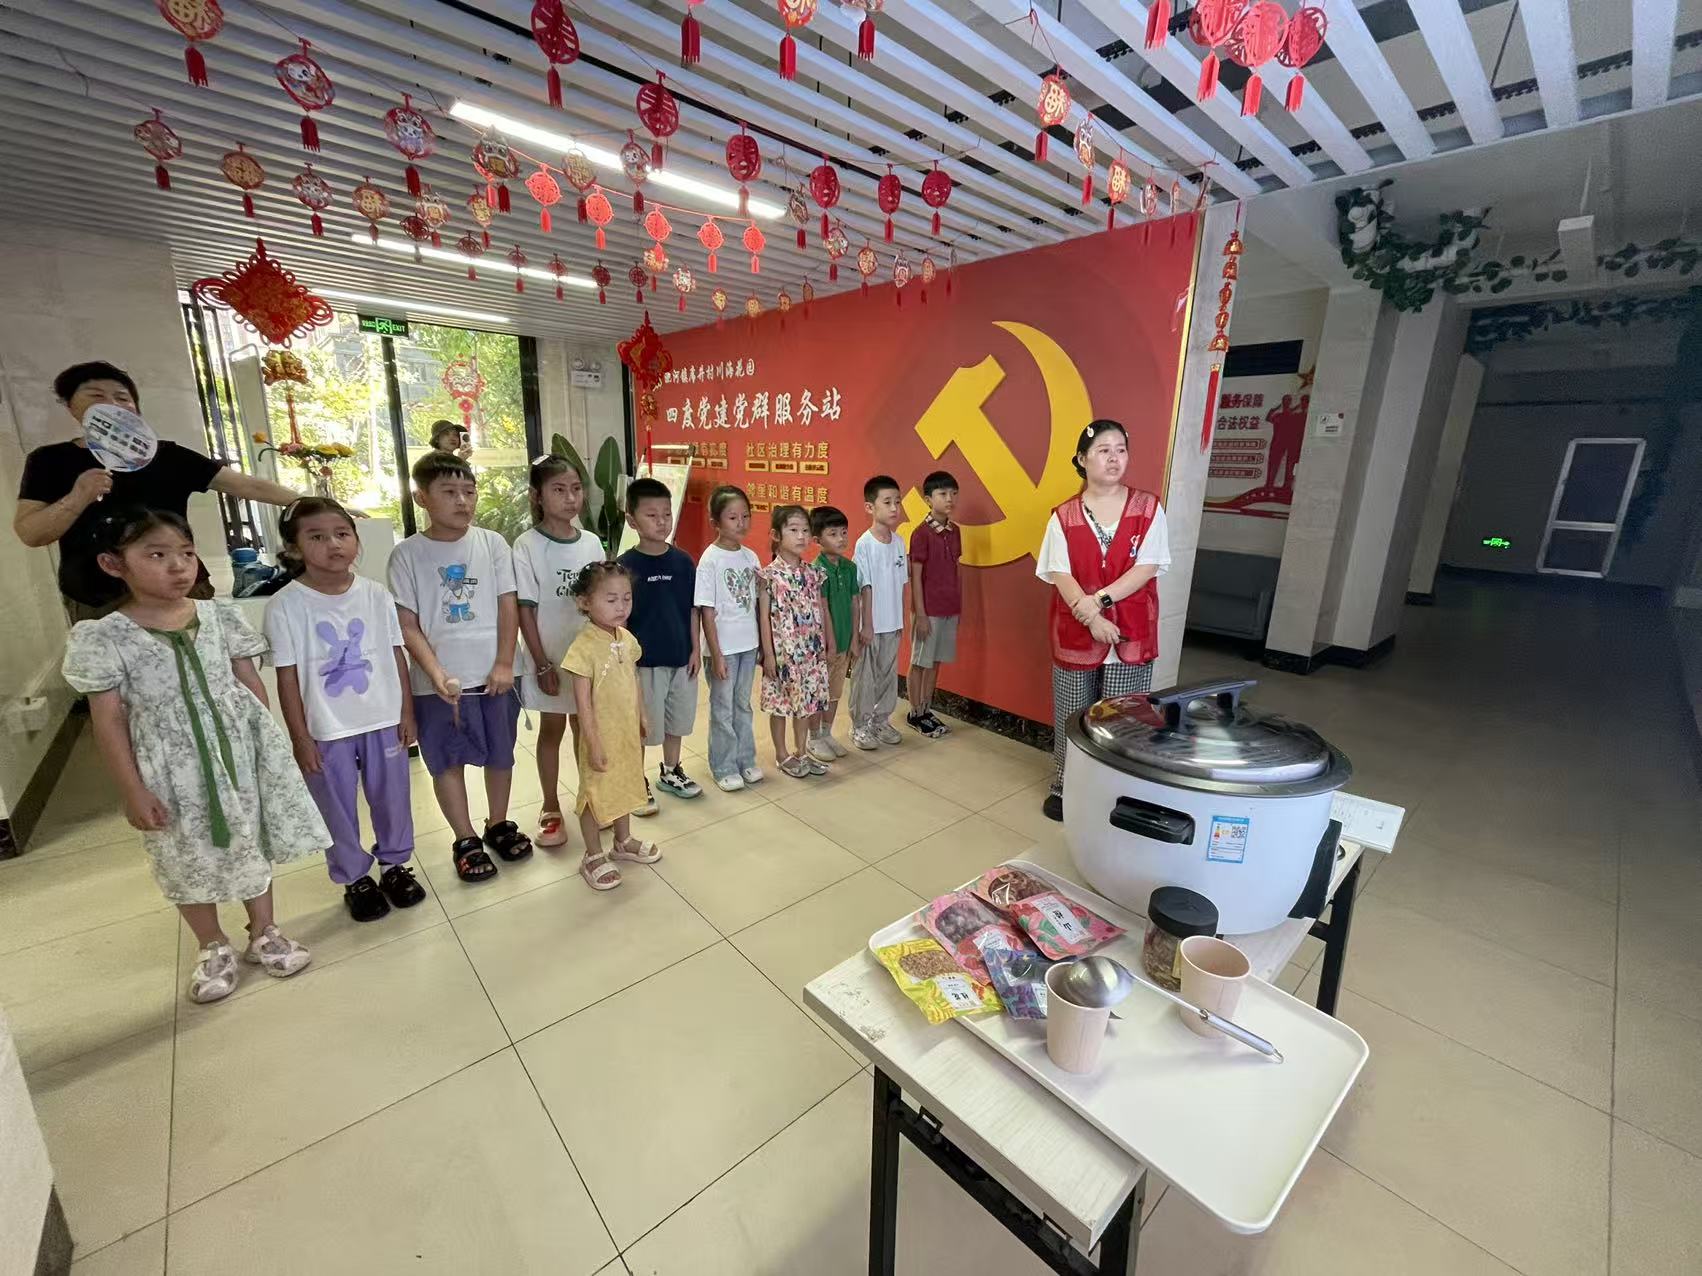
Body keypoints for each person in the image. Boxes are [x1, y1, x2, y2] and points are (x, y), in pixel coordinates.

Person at [61, 509, 325, 1004]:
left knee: (251, 838)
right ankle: (212, 944)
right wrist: (132, 789)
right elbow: (108, 720)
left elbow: (249, 686)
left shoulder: (220, 617)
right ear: (113, 564)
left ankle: (264, 930)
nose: (178, 566)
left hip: (236, 757)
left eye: (185, 553)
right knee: (182, 852)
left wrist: (265, 751)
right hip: (168, 770)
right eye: (157, 555)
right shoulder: (104, 637)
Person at [16, 362, 308, 618]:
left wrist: (314, 504)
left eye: (122, 398)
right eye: (96, 396)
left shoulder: (169, 456)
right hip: (98, 597)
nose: (112, 404)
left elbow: (246, 484)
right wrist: (77, 497)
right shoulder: (50, 460)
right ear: (71, 406)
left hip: (182, 586)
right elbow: (31, 533)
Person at [265, 498, 426, 923]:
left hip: (383, 718)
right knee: (335, 806)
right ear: (294, 547)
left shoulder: (376, 595)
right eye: (317, 537)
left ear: (355, 539)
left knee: (392, 798)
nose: (333, 544)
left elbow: (396, 655)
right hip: (326, 728)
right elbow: (286, 678)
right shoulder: (285, 605)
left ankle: (394, 865)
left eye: (342, 534)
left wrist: (406, 712)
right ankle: (355, 877)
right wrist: (300, 738)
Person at [387, 451, 532, 883]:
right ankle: (465, 838)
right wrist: (435, 673)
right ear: (421, 498)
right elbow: (407, 624)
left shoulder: (492, 543)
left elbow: (508, 604)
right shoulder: (406, 555)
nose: (463, 501)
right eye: (449, 492)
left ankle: (498, 823)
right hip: (438, 684)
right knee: (447, 760)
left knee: (501, 753)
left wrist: (505, 661)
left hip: (495, 676)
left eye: (469, 491)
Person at [1037, 420, 1171, 822]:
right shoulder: (1063, 516)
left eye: (1121, 450)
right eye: (1103, 450)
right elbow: (1059, 571)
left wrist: (1099, 602)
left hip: (1130, 629)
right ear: (1082, 459)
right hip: (1076, 630)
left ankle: (1118, 790)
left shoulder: (1148, 508)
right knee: (1072, 711)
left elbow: (1147, 566)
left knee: (1125, 717)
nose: (1114, 458)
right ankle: (1065, 785)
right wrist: (1091, 618)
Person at [513, 456, 606, 847]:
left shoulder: (591, 543)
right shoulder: (527, 545)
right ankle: (550, 805)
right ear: (538, 496)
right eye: (559, 490)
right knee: (552, 730)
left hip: (588, 659)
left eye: (576, 489)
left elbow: (604, 598)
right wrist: (541, 664)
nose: (570, 498)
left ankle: (590, 798)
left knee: (586, 728)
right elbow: (525, 610)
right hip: (550, 657)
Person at [562, 561, 662, 890]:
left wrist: (642, 715)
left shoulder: (626, 639)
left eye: (626, 598)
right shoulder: (582, 648)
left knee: (624, 783)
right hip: (600, 735)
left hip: (626, 732)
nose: (621, 607)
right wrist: (592, 743)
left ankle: (623, 840)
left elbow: (633, 679)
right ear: (585, 602)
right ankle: (592, 854)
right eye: (611, 599)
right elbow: (582, 705)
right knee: (594, 793)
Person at [617, 477, 704, 807]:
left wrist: (696, 649)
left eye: (666, 514)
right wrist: (625, 661)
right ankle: (634, 780)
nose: (661, 522)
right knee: (642, 725)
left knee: (677, 720)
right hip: (644, 664)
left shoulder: (683, 562)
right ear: (632, 520)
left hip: (681, 658)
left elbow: (693, 610)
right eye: (651, 515)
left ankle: (670, 770)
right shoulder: (625, 566)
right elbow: (620, 620)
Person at [758, 505, 834, 779]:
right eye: (793, 530)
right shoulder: (768, 575)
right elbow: (764, 617)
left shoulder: (813, 573)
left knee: (806, 704)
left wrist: (827, 642)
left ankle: (801, 752)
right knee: (780, 704)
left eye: (805, 530)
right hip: (783, 653)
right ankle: (782, 755)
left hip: (810, 652)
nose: (801, 536)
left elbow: (821, 609)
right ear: (776, 535)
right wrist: (768, 654)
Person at [695, 484, 763, 791]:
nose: (741, 523)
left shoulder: (751, 557)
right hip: (722, 649)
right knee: (722, 709)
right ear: (716, 522)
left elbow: (758, 604)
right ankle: (723, 765)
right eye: (733, 517)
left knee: (743, 705)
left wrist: (762, 645)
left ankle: (745, 759)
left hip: (748, 645)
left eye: (745, 516)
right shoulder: (710, 560)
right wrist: (716, 654)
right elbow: (706, 612)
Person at [850, 475, 908, 751]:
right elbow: (865, 586)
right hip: (871, 625)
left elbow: (902, 584)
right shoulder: (865, 544)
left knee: (888, 674)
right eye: (887, 502)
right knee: (865, 677)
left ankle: (881, 720)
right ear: (870, 507)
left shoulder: (899, 542)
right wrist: (867, 624)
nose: (894, 508)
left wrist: (901, 620)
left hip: (893, 623)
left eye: (897, 501)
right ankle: (859, 725)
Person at [906, 470, 962, 739]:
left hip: (949, 608)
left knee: (936, 661)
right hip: (927, 611)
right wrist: (921, 614)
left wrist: (956, 606)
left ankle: (927, 709)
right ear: (928, 499)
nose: (949, 498)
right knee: (919, 662)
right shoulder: (921, 534)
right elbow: (915, 577)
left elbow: (953, 570)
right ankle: (914, 712)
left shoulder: (955, 532)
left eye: (953, 493)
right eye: (943, 494)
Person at [807, 506, 856, 760]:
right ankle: (814, 737)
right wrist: (831, 642)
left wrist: (854, 638)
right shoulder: (817, 570)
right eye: (833, 534)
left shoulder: (850, 568)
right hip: (824, 647)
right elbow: (822, 608)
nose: (841, 539)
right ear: (817, 540)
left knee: (835, 692)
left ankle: (827, 733)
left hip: (845, 643)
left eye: (844, 532)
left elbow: (855, 602)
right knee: (819, 692)